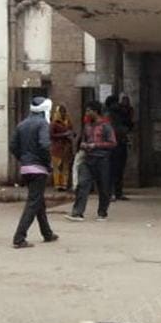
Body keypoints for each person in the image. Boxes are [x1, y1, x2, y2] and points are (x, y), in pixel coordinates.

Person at [10, 96, 59, 248]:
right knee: (33, 202)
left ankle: (47, 233)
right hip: (38, 169)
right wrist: (47, 163)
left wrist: (23, 158)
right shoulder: (42, 124)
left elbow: (13, 146)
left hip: (26, 168)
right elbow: (44, 145)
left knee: (39, 201)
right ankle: (19, 238)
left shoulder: (22, 124)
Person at [66, 101, 117, 222]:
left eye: (89, 110)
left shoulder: (106, 126)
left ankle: (102, 212)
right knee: (82, 184)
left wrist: (96, 145)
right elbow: (83, 139)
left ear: (95, 111)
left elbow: (112, 143)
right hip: (88, 158)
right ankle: (77, 212)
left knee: (103, 187)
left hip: (102, 159)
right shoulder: (87, 126)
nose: (87, 113)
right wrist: (83, 145)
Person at [109, 94, 133, 200]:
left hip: (118, 143)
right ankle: (115, 192)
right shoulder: (114, 114)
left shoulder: (121, 113)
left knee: (116, 169)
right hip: (116, 143)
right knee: (116, 169)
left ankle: (116, 192)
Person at [49, 104, 75, 191]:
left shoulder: (68, 121)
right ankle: (58, 185)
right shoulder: (54, 123)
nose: (63, 113)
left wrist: (72, 134)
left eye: (64, 111)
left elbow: (71, 130)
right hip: (57, 148)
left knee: (65, 167)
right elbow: (51, 135)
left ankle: (64, 184)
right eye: (61, 112)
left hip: (66, 147)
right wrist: (63, 134)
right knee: (57, 167)